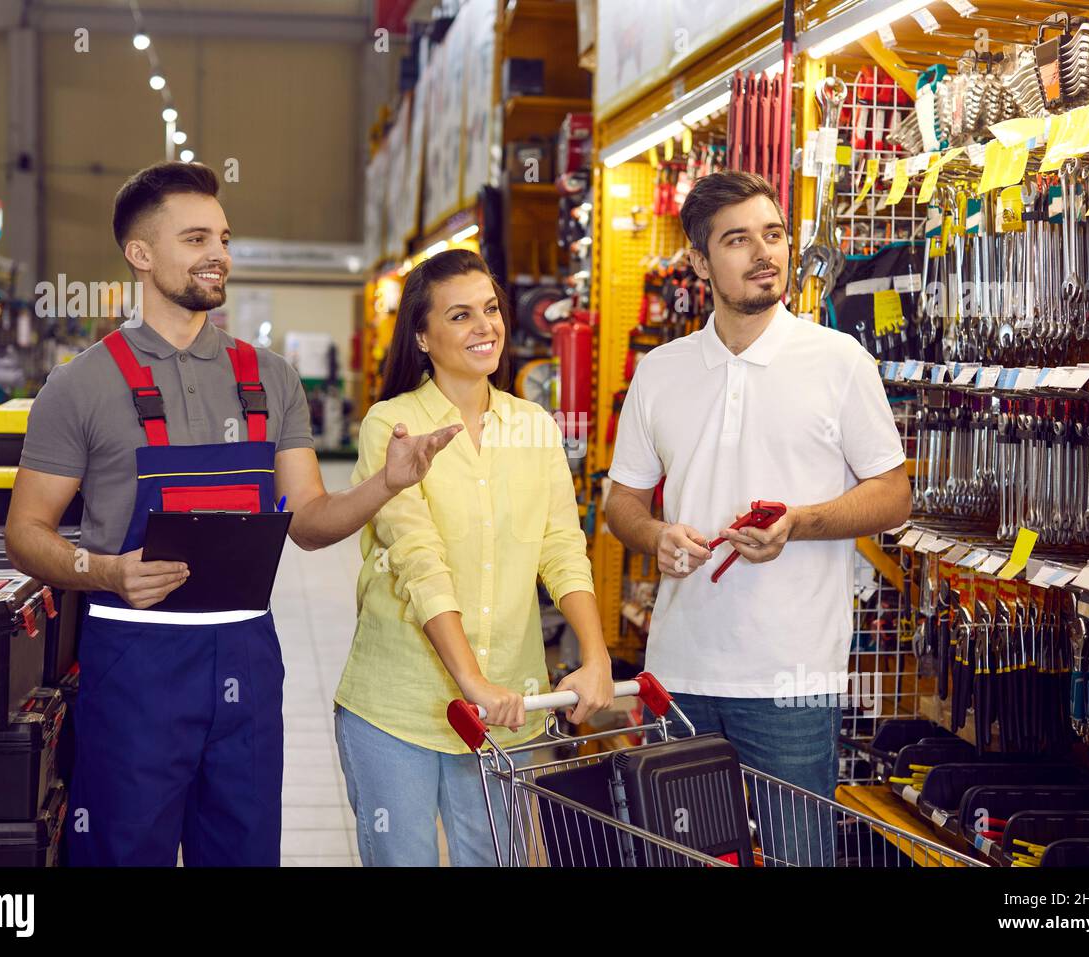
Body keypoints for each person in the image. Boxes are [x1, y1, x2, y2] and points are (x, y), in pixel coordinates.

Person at [5, 161, 460, 866]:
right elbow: (24, 533)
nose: (218, 252)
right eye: (195, 238)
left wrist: (386, 485)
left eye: (222, 235)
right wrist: (104, 570)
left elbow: (309, 521)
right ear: (141, 254)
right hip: (133, 671)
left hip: (246, 667)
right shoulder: (81, 384)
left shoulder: (269, 378)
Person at [603, 170, 911, 865]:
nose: (762, 253)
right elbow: (620, 502)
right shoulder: (662, 372)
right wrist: (655, 535)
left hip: (794, 674)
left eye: (772, 234)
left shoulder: (839, 363)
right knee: (679, 857)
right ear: (699, 261)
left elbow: (894, 494)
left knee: (798, 856)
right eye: (737, 240)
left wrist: (798, 521)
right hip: (679, 671)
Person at [334, 248, 613, 866]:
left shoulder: (534, 425)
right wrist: (473, 684)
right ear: (423, 336)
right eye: (459, 315)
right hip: (397, 704)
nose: (484, 326)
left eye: (490, 309)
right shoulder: (394, 424)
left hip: (508, 710)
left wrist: (595, 660)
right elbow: (419, 561)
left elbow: (564, 551)